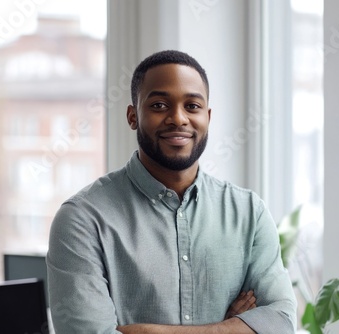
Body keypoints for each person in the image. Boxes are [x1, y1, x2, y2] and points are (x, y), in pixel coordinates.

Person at [46, 50, 297, 334]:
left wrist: (149, 331)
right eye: (159, 105)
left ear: (208, 117)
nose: (178, 118)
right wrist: (232, 326)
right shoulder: (82, 220)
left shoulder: (249, 212)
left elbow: (281, 322)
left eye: (192, 106)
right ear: (132, 116)